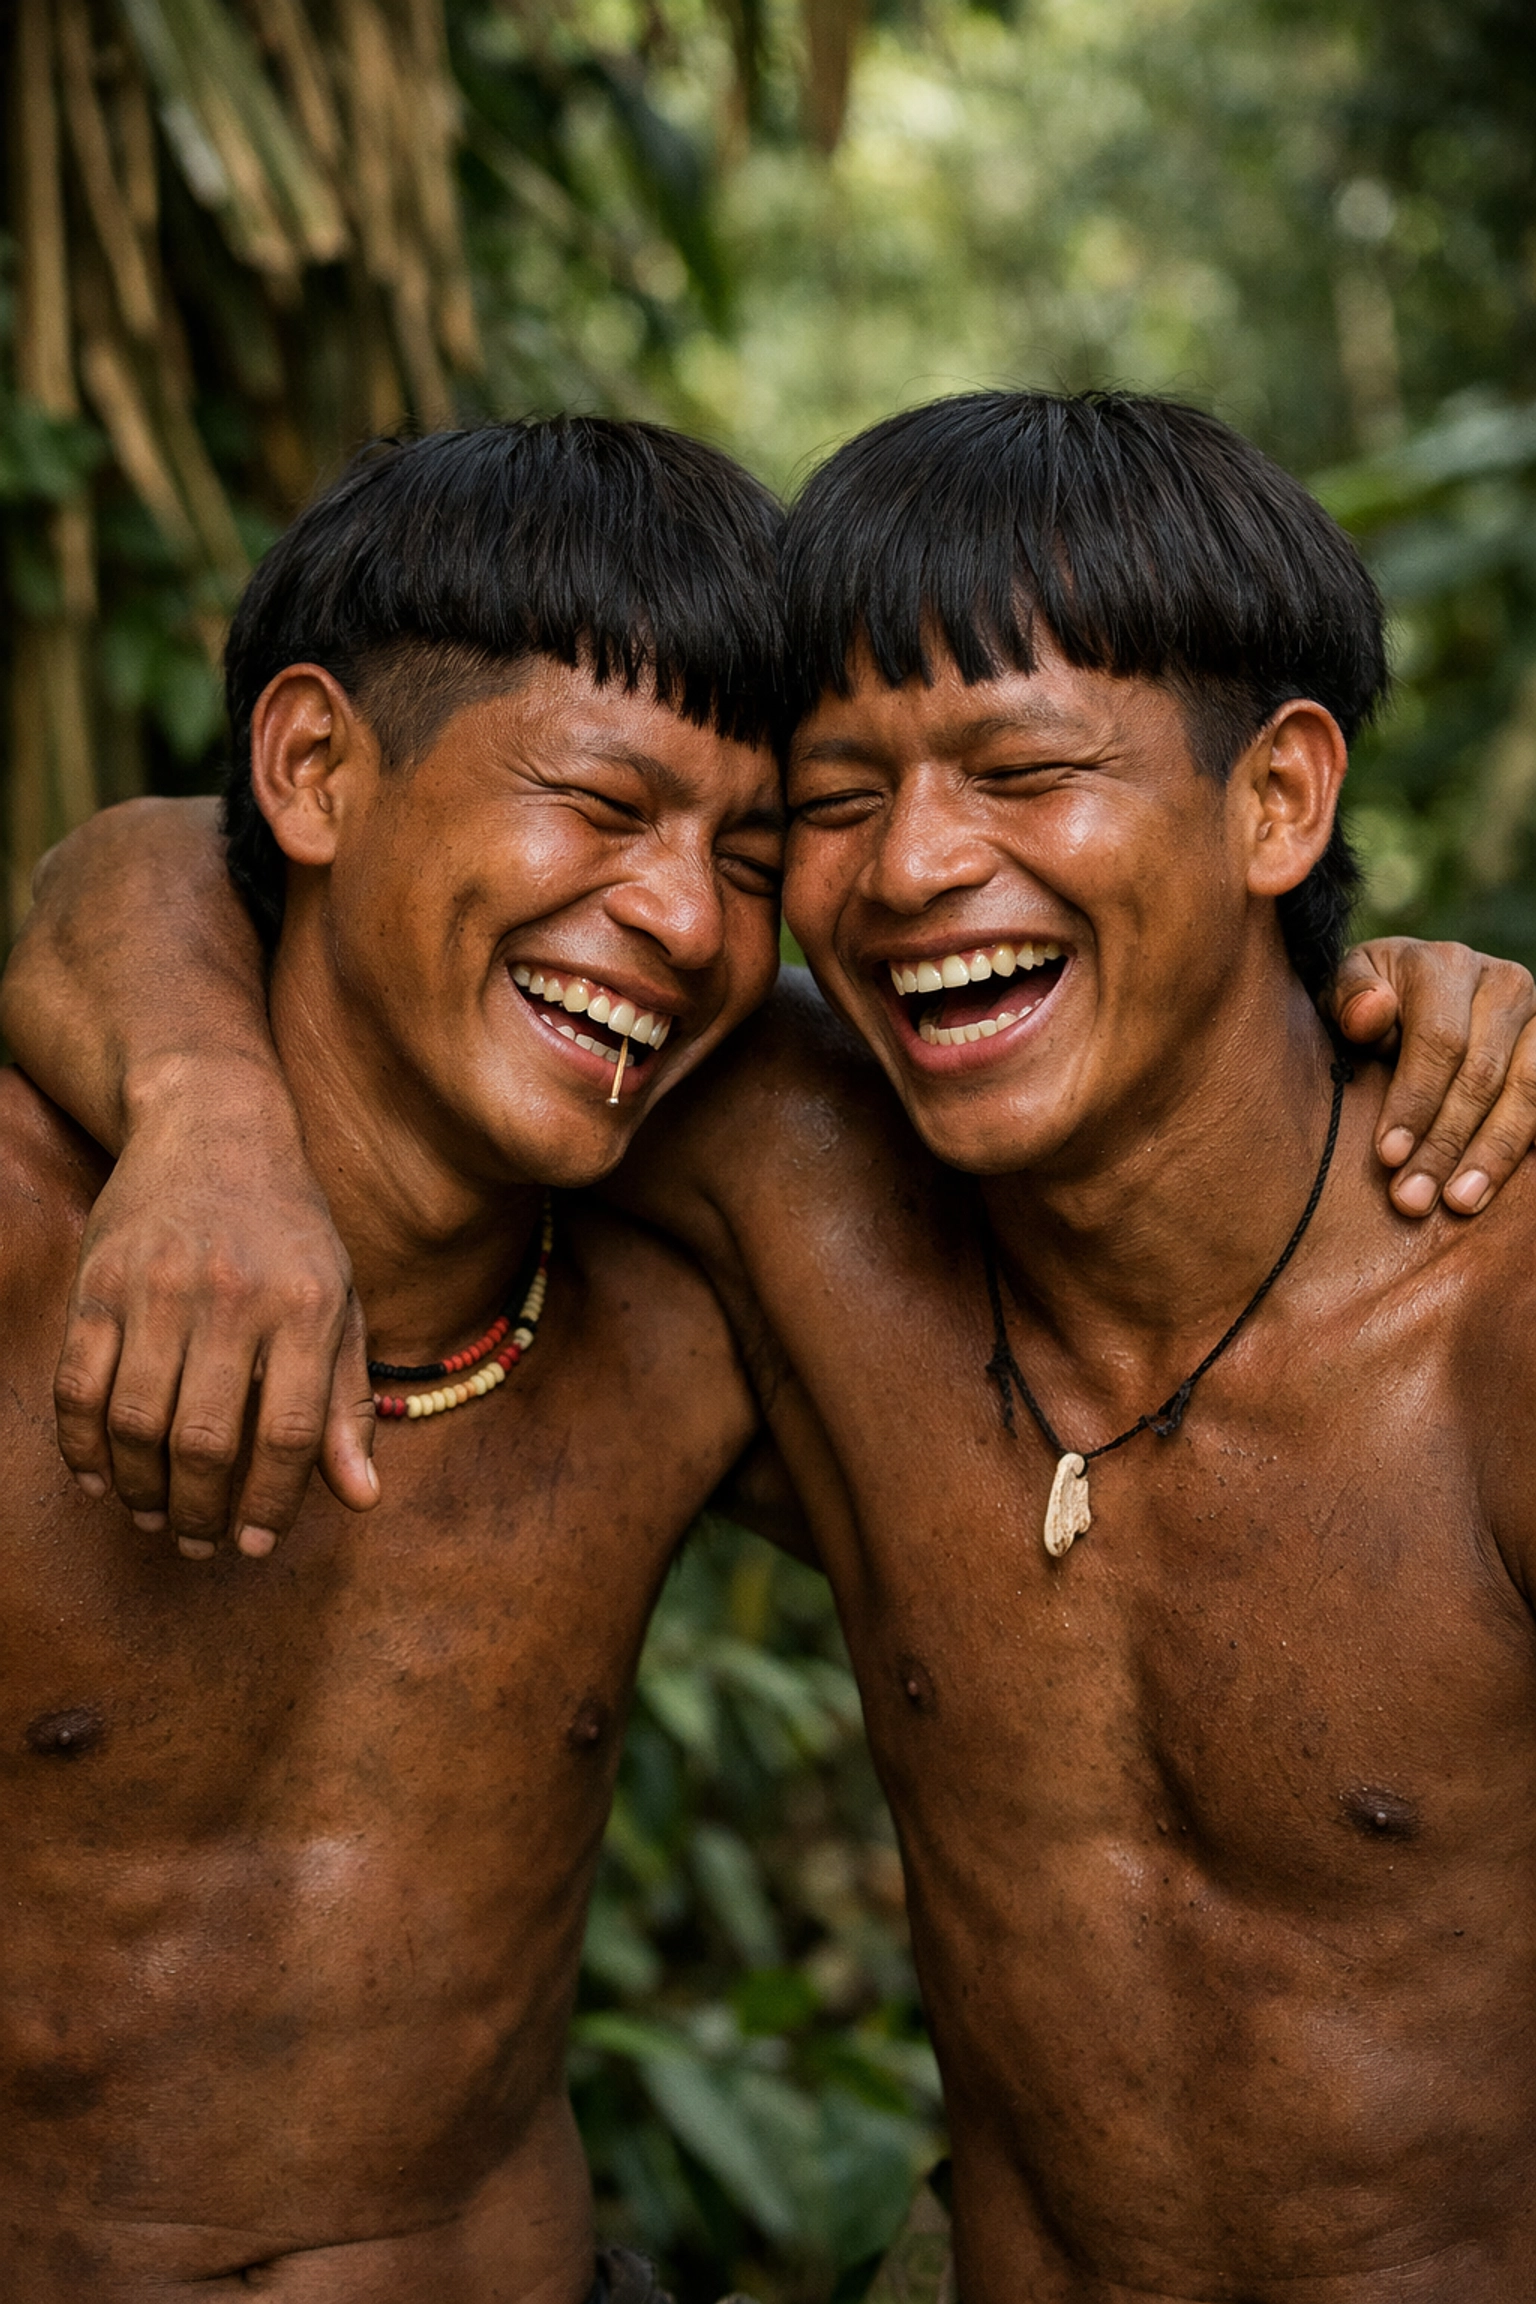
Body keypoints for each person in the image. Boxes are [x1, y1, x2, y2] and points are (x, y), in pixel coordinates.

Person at [10, 392, 1536, 2303]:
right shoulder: (769, 1189)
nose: (906, 871)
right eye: (833, 804)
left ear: (1281, 803)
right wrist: (205, 1116)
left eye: (1018, 769)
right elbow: (172, 851)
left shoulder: (1474, 1310)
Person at [0, 415, 806, 2303]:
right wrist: (203, 1108)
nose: (687, 919)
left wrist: (1429, 1013)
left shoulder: (693, 1330)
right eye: (600, 806)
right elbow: (131, 860)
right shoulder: (26, 1244)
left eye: (749, 856)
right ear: (313, 769)